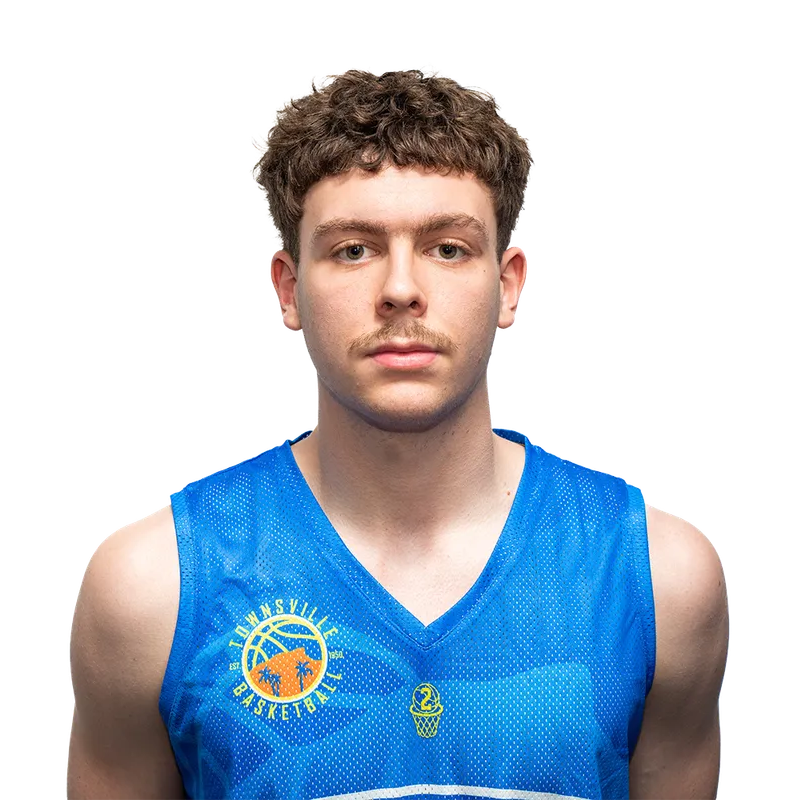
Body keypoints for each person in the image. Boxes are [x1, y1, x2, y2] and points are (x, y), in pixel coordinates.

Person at [67, 68, 729, 799]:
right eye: (354, 249)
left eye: (448, 248)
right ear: (288, 289)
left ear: (508, 284)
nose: (401, 290)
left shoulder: (658, 578)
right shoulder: (154, 587)